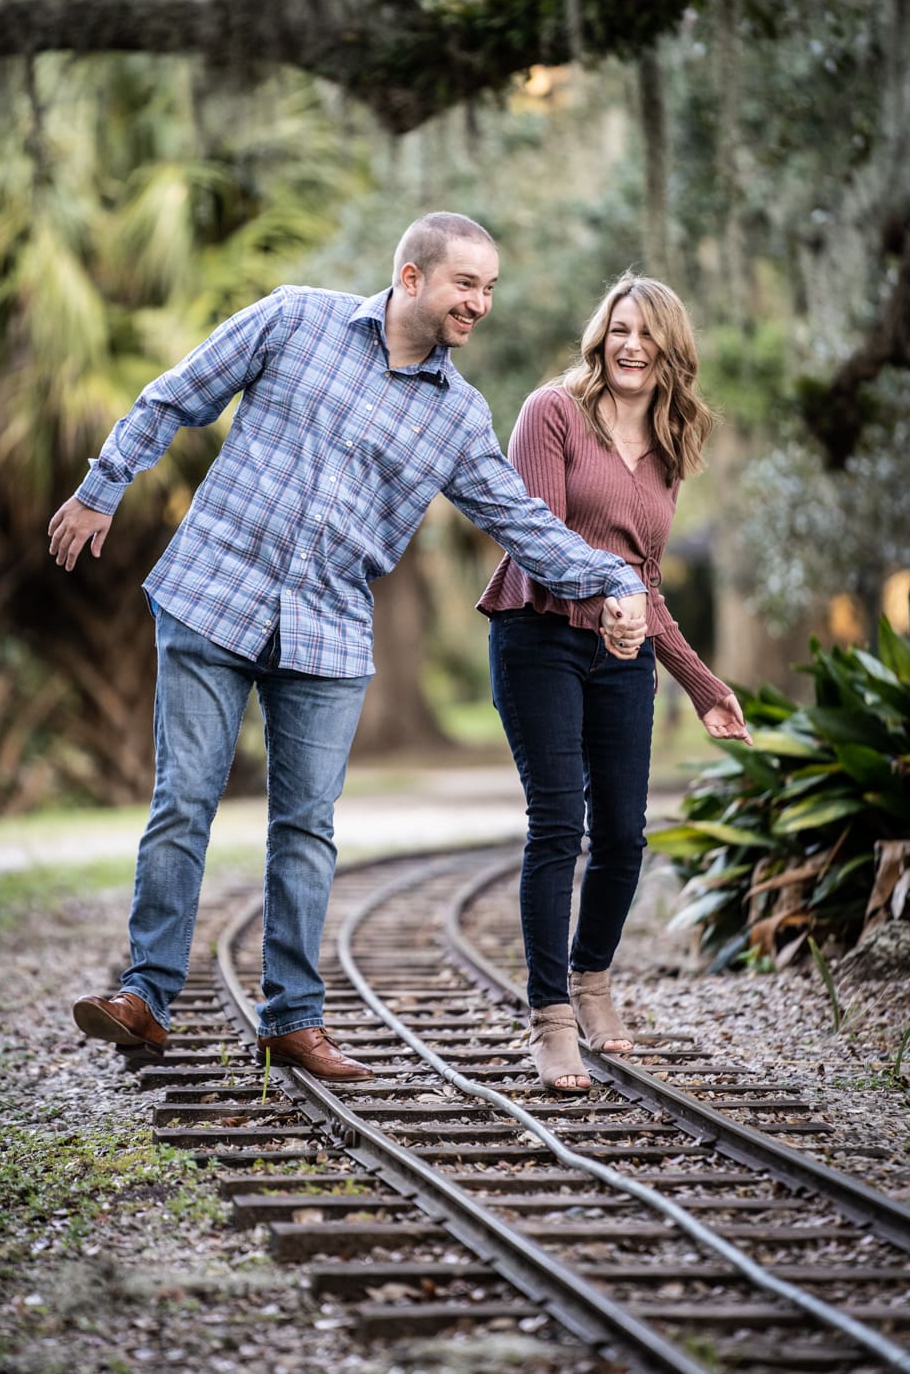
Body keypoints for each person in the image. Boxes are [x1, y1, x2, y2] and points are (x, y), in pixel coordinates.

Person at [49, 212, 651, 1083]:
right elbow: (177, 394)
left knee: (307, 828)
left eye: (489, 289)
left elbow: (524, 523)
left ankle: (291, 1019)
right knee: (184, 800)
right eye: (465, 284)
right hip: (213, 593)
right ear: (411, 278)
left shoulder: (458, 416)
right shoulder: (294, 317)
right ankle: (145, 998)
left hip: (327, 630)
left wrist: (612, 579)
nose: (480, 303)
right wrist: (101, 489)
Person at [478, 274, 751, 1094]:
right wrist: (607, 601)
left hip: (623, 649)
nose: (631, 346)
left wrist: (704, 685)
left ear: (672, 352)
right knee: (559, 823)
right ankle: (552, 1018)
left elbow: (647, 578)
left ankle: (593, 978)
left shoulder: (670, 447)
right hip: (538, 636)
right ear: (601, 336)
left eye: (648, 334)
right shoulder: (552, 412)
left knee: (626, 835)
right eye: (619, 329)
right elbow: (536, 537)